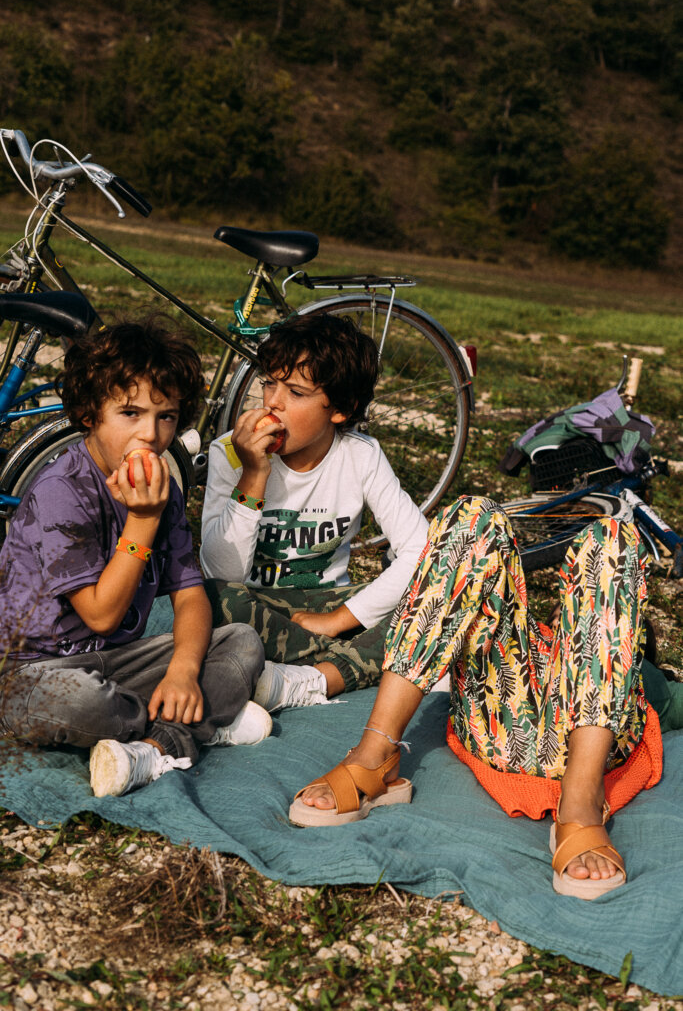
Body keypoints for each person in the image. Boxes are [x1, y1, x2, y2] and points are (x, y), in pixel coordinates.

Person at [288, 495, 664, 900]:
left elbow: (627, 661)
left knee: (613, 537)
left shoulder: (618, 663)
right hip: (501, 715)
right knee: (473, 515)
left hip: (594, 743)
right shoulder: (521, 639)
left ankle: (581, 804)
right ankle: (374, 752)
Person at [0, 318, 270, 799]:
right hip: (31, 672)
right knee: (77, 704)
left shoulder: (161, 485)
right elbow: (102, 615)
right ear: (90, 414)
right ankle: (196, 725)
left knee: (242, 643)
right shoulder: (62, 491)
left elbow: (189, 594)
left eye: (166, 416)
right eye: (130, 412)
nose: (150, 433)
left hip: (117, 663)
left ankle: (155, 744)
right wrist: (143, 519)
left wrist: (183, 670)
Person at [200, 312, 428, 712]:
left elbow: (421, 552)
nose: (272, 401)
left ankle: (313, 678)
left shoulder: (360, 456)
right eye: (269, 382)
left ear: (340, 409)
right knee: (208, 599)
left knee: (433, 595)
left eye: (296, 392)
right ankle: (363, 662)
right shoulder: (231, 453)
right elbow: (222, 573)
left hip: (329, 606)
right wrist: (253, 475)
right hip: (256, 606)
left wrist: (337, 620)